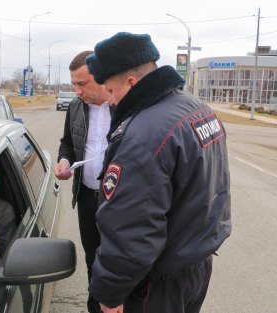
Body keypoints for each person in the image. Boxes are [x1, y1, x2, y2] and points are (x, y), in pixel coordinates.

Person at [85, 32, 231, 313]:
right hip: (197, 265)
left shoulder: (141, 136)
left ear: (131, 82)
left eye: (112, 92)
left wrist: (110, 293)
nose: (111, 102)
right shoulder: (198, 109)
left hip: (159, 283)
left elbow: (131, 229)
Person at [54, 50, 111, 313]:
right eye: (74, 84)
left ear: (100, 77)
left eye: (81, 84)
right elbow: (67, 143)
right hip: (87, 197)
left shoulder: (125, 106)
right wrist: (65, 162)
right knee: (93, 258)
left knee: (119, 260)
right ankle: (95, 306)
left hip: (118, 200)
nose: (77, 91)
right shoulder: (77, 106)